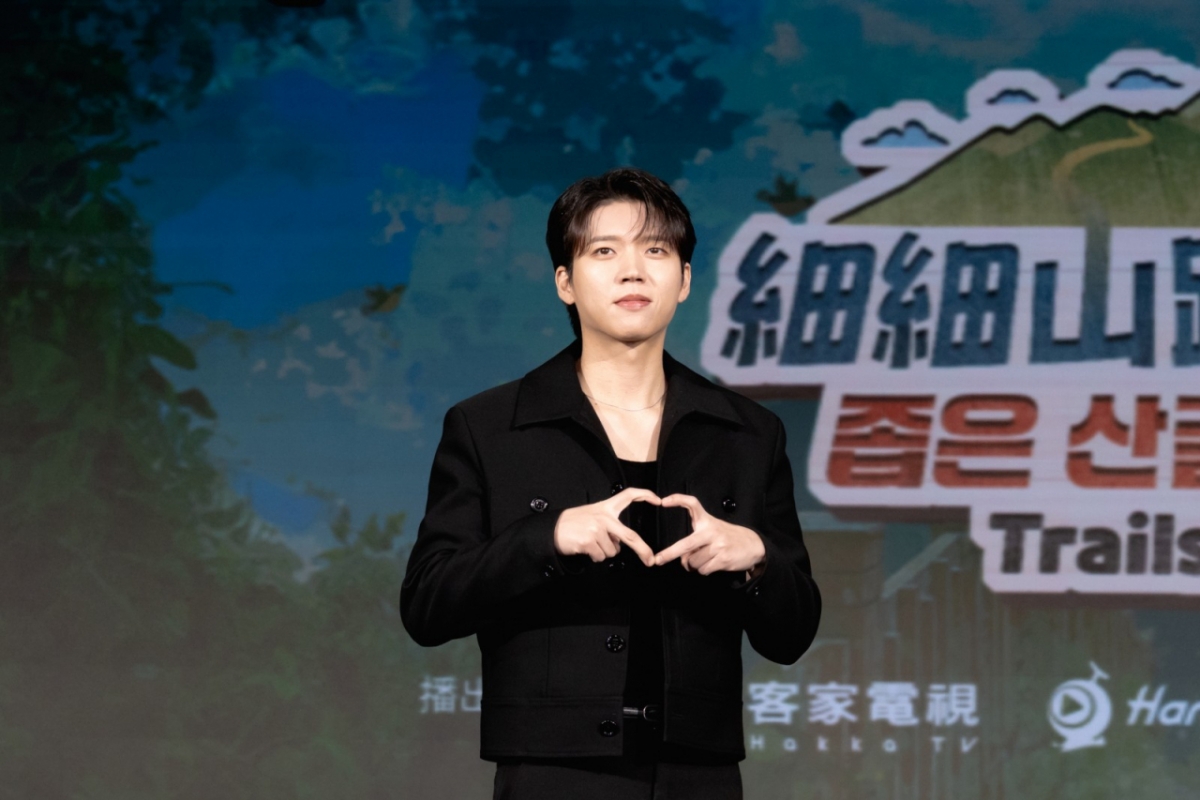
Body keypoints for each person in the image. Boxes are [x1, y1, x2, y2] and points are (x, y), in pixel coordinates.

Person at [400, 167, 821, 799]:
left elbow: (793, 634)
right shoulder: (489, 426)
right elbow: (427, 605)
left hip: (699, 774)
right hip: (553, 773)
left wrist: (758, 559)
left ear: (684, 280)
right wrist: (546, 538)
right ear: (565, 282)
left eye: (656, 250)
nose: (632, 271)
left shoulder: (748, 433)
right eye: (604, 251)